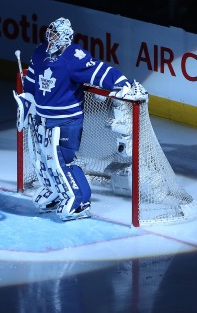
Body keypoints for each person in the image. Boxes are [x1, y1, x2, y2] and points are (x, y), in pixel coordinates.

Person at [15, 17, 145, 221]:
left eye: (56, 34)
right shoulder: (40, 51)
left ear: (65, 37)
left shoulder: (74, 56)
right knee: (43, 159)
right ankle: (56, 191)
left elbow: (98, 71)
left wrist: (121, 82)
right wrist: (25, 101)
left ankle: (80, 201)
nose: (51, 37)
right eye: (51, 32)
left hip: (67, 121)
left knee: (62, 161)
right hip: (43, 118)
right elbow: (32, 80)